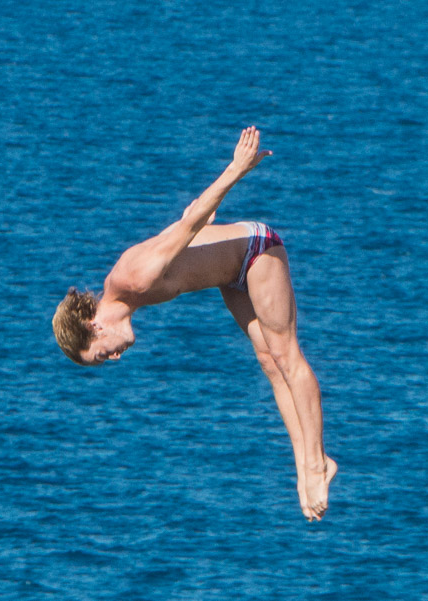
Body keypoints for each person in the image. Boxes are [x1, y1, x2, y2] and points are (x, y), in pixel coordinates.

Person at [53, 127, 336, 521]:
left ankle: (316, 464)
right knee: (271, 365)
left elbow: (192, 220)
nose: (114, 358)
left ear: (95, 327)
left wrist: (236, 169)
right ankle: (304, 463)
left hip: (257, 252)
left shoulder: (135, 279)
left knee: (287, 356)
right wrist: (199, 220)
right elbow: (182, 226)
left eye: (102, 355)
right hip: (232, 276)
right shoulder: (124, 289)